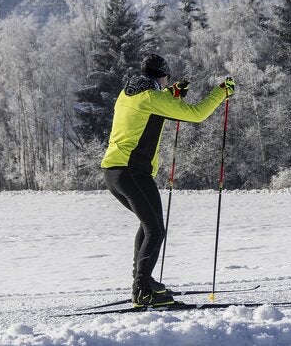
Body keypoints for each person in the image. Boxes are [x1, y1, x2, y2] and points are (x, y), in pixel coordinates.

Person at [101, 52, 235, 308]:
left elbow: (149, 111)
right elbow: (196, 114)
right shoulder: (152, 97)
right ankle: (141, 290)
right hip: (132, 172)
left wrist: (172, 93)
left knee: (149, 225)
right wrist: (222, 92)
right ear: (162, 76)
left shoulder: (129, 92)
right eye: (167, 79)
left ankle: (144, 283)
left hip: (114, 172)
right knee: (155, 229)